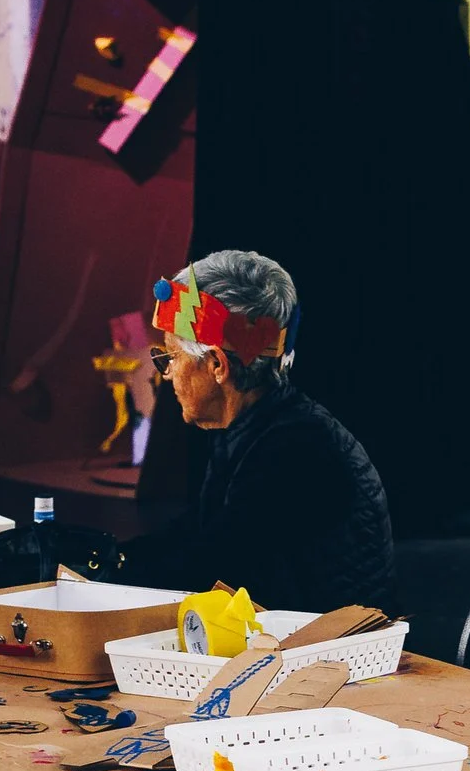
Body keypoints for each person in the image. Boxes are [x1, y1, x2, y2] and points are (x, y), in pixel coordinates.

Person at [122, 250, 398, 615]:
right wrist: (107, 557)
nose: (167, 373)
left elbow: (208, 569)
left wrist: (102, 572)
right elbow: (196, 534)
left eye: (172, 357)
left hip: (329, 660)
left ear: (218, 365)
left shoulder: (295, 451)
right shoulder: (258, 428)